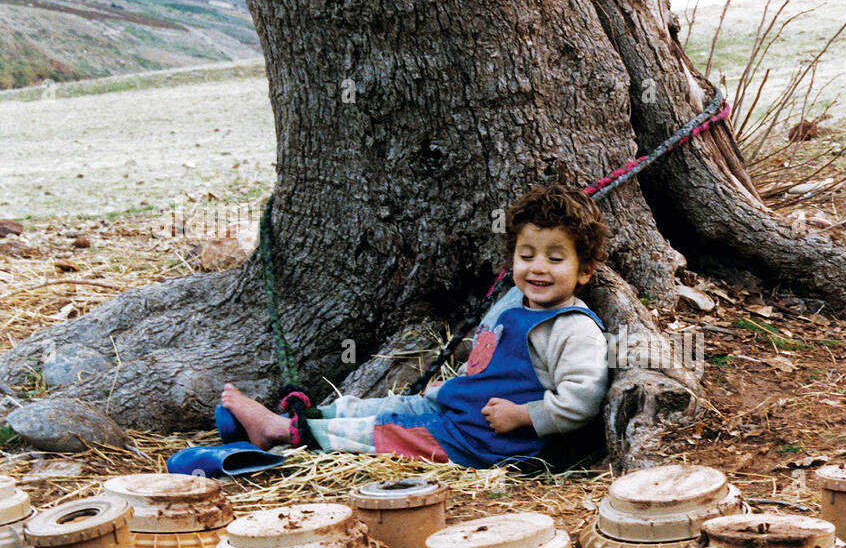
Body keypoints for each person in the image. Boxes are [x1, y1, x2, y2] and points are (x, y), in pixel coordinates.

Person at [219, 185, 611, 468]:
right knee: (381, 407)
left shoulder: (572, 329)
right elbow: (490, 361)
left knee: (385, 433)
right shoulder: (513, 300)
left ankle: (281, 433)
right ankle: (309, 416)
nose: (538, 267)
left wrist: (523, 416)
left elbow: (582, 400)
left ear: (585, 271)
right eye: (527, 255)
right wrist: (459, 386)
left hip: (479, 439)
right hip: (454, 409)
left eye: (555, 259)